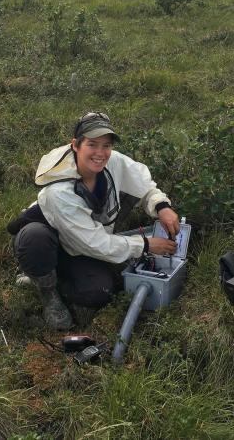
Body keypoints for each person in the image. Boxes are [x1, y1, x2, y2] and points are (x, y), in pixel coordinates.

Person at [10, 111, 179, 330]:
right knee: (35, 238)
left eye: (106, 145)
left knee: (99, 292)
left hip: (81, 245)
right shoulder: (59, 192)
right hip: (51, 241)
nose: (100, 153)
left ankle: (48, 277)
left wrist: (161, 206)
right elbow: (94, 242)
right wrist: (145, 245)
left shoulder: (112, 161)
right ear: (75, 145)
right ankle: (46, 290)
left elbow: (143, 183)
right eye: (92, 144)